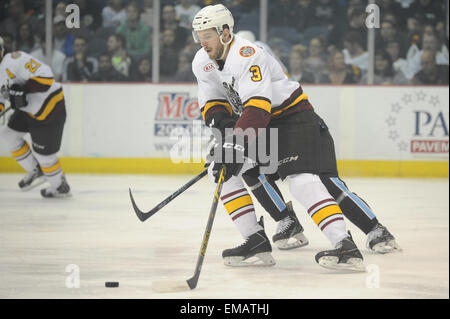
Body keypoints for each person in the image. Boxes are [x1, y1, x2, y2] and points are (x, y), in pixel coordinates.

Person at [191, 4, 382, 271]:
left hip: (292, 118)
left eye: (207, 34)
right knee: (221, 169)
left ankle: (345, 246)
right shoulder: (202, 61)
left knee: (303, 182)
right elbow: (213, 105)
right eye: (198, 35)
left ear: (224, 32)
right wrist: (226, 142)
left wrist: (235, 143)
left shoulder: (248, 54)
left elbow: (258, 109)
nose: (202, 41)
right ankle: (255, 240)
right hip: (260, 124)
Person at [0, 36, 71, 198]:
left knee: (45, 157)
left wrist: (23, 89)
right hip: (28, 110)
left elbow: (46, 78)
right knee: (8, 134)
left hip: (50, 109)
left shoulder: (16, 60)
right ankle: (36, 169)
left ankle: (60, 187)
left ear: (2, 51)